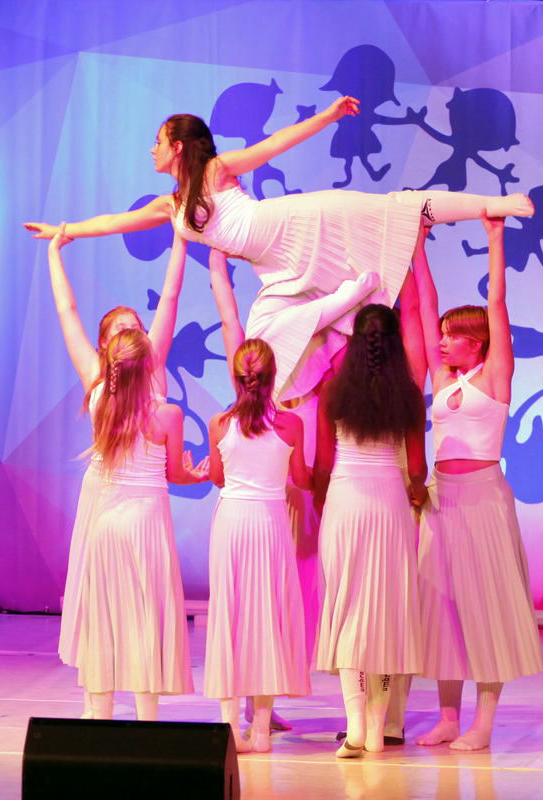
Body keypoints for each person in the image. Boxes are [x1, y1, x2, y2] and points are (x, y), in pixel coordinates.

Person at [24, 97, 534, 402]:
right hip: (276, 269)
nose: (151, 149)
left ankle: (492, 204)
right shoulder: (171, 205)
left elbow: (275, 144)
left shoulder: (216, 171)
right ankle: (341, 320)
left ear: (178, 147)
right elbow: (115, 222)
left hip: (296, 225)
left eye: (157, 141)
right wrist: (64, 230)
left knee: (392, 209)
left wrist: (328, 117)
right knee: (264, 338)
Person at [404, 215, 543, 751]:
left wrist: (494, 236)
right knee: (444, 607)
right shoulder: (444, 380)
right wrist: (418, 247)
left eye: (450, 336)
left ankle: (482, 725)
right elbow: (426, 304)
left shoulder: (495, 376)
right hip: (442, 500)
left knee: (486, 607)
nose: (440, 342)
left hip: (485, 499)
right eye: (440, 335)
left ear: (476, 342)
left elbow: (498, 304)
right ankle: (447, 718)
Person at [46, 226, 182, 716]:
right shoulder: (96, 377)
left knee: (139, 599)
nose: (135, 331)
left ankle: (130, 708)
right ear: (106, 343)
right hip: (104, 495)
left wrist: (181, 240)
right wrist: (54, 254)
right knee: (97, 595)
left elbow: (170, 298)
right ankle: (96, 705)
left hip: (136, 502)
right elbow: (67, 313)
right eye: (123, 329)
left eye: (137, 326)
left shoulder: (152, 370)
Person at [205, 248, 312, 753]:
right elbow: (301, 479)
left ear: (237, 377)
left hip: (232, 521)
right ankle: (262, 729)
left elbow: (218, 478)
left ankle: (231, 728)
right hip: (270, 523)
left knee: (230, 616)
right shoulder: (291, 424)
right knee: (267, 617)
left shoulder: (220, 423)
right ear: (273, 377)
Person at [73, 322, 209, 720]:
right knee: (146, 618)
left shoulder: (101, 403)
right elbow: (174, 473)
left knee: (103, 618)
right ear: (149, 365)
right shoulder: (167, 414)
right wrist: (197, 475)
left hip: (106, 524)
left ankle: (100, 717)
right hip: (146, 524)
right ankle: (146, 721)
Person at [312, 304, 428, 758]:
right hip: (390, 505)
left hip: (345, 501)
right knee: (386, 612)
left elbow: (323, 464)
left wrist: (321, 503)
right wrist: (418, 493)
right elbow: (416, 468)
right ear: (396, 342)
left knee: (346, 608)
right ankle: (378, 730)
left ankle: (355, 724)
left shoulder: (332, 390)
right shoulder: (410, 394)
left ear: (353, 341)